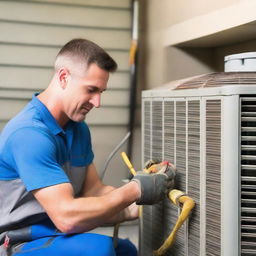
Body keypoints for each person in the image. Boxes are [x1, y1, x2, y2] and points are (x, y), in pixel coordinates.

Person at [0, 38, 174, 256]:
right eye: (91, 89)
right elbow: (67, 218)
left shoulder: (78, 129)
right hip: (16, 241)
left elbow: (94, 190)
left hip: (52, 233)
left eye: (101, 92)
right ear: (64, 77)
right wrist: (136, 189)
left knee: (126, 250)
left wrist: (138, 205)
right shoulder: (29, 134)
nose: (97, 102)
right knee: (99, 250)